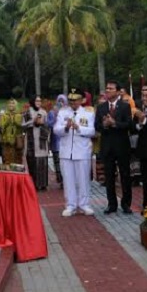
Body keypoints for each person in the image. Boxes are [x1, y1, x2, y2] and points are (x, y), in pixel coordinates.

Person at [54, 88, 96, 217]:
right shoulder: (62, 112)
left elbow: (92, 131)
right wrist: (65, 127)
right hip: (66, 151)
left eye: (75, 100)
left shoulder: (88, 113)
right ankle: (70, 205)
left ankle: (84, 204)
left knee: (83, 179)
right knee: (68, 180)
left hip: (82, 150)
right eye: (71, 100)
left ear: (81, 100)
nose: (72, 102)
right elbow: (56, 129)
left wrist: (79, 128)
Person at [96, 81, 133, 213]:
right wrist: (105, 125)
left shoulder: (125, 106)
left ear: (117, 92)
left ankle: (126, 203)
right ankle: (112, 204)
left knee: (125, 175)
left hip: (122, 145)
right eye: (107, 88)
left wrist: (115, 123)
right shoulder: (101, 107)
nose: (108, 90)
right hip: (107, 146)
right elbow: (97, 126)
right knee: (109, 176)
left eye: (111, 88)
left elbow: (129, 124)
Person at [22, 96, 51, 190]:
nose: (38, 102)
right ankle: (34, 184)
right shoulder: (27, 112)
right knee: (32, 162)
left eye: (40, 100)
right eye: (36, 100)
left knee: (43, 162)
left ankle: (43, 184)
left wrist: (42, 124)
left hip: (42, 141)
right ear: (32, 101)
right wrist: (33, 121)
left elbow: (47, 125)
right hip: (31, 141)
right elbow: (22, 126)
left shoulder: (43, 112)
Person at [48, 94, 68, 186]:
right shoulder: (52, 112)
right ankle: (60, 179)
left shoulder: (69, 112)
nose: (61, 103)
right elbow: (49, 124)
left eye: (62, 101)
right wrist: (55, 117)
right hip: (55, 141)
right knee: (57, 162)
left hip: (66, 142)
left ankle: (66, 180)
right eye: (59, 101)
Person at [0, 99, 22, 164]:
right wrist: (7, 122)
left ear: (16, 105)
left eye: (13, 103)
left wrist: (15, 121)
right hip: (6, 142)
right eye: (9, 103)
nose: (11, 105)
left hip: (17, 142)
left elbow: (22, 128)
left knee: (17, 160)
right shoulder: (4, 115)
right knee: (7, 160)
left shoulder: (19, 115)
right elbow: (0, 128)